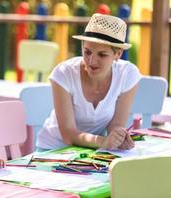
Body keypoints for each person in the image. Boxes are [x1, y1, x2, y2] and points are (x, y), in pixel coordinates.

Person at [36, 13, 141, 151]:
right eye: (87, 52)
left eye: (102, 55)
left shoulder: (127, 74)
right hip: (53, 150)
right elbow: (68, 134)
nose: (91, 61)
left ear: (118, 54)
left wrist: (119, 137)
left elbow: (116, 124)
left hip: (92, 152)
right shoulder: (64, 73)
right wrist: (104, 141)